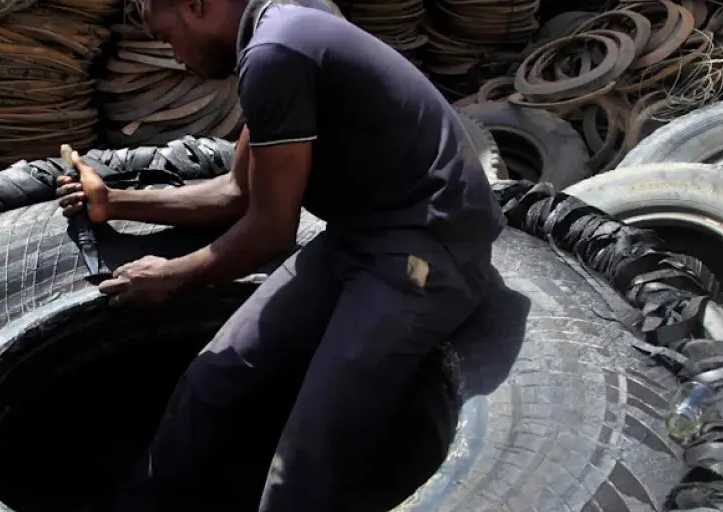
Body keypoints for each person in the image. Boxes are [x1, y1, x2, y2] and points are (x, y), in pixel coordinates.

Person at [55, 0, 505, 508]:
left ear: (196, 5)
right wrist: (114, 201)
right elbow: (237, 192)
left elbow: (270, 232)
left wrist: (172, 275)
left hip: (427, 248)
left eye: (167, 37)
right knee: (214, 378)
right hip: (357, 233)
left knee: (307, 459)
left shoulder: (276, 51)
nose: (175, 56)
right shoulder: (277, 30)